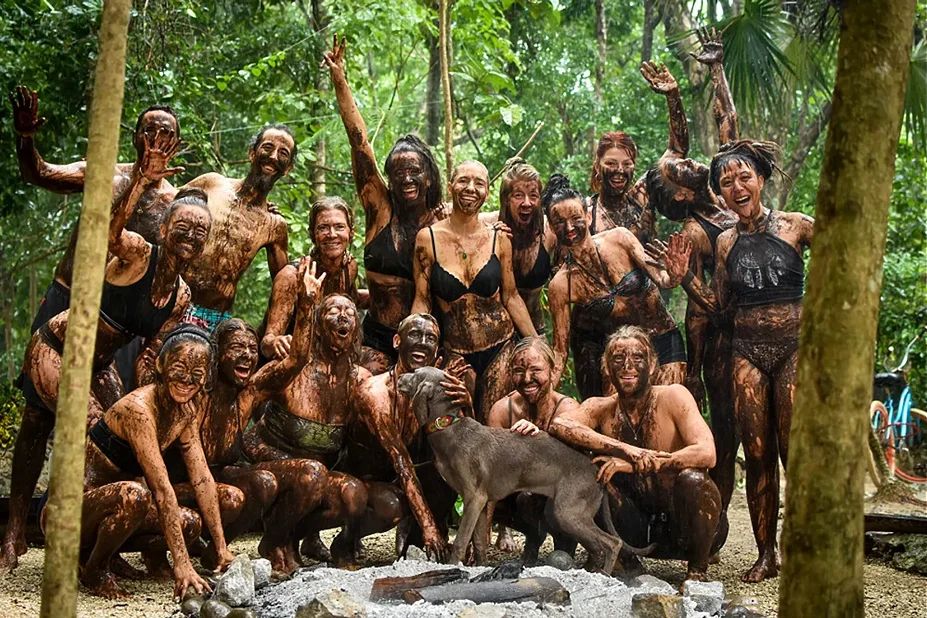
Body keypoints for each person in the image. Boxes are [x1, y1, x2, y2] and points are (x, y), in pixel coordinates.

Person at [1, 134, 200, 571]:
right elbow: (109, 232)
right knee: (82, 430)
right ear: (164, 229)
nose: (190, 236)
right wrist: (140, 179)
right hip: (58, 349)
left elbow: (152, 357)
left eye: (199, 232)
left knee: (122, 435)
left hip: (100, 363)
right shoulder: (138, 253)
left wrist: (151, 405)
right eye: (183, 227)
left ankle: (101, 537)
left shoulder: (181, 296)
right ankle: (30, 531)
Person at [661, 140, 814, 582]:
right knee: (759, 452)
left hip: (794, 348)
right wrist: (685, 279)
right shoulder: (726, 242)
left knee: (793, 451)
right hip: (747, 353)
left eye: (745, 177)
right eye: (727, 182)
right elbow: (718, 306)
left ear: (761, 180)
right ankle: (767, 554)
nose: (737, 187)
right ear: (720, 193)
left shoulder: (797, 226)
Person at [168, 260, 330, 574]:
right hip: (181, 486)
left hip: (221, 478)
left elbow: (296, 359)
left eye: (252, 349)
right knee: (232, 497)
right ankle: (211, 548)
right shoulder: (193, 390)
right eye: (237, 348)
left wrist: (306, 307)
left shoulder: (249, 392)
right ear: (217, 353)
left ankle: (260, 544)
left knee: (298, 475)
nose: (247, 355)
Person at [644, 29, 740, 514]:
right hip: (717, 333)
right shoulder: (696, 232)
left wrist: (707, 75)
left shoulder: (724, 189)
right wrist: (697, 368)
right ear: (681, 194)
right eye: (680, 169)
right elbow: (702, 307)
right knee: (722, 426)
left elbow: (729, 129)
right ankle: (712, 516)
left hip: (755, 323)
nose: (686, 162)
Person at [549, 326, 725, 582]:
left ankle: (697, 571)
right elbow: (560, 425)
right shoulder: (601, 407)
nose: (627, 366)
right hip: (638, 530)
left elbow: (707, 453)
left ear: (652, 365)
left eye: (637, 358)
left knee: (693, 480)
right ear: (606, 368)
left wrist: (640, 463)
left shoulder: (674, 396)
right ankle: (627, 562)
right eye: (618, 359)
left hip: (686, 528)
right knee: (591, 472)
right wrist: (623, 449)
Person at [75, 325, 233, 599]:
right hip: (70, 513)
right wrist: (182, 564)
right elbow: (160, 488)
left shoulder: (186, 410)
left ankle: (132, 558)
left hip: (117, 510)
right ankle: (94, 569)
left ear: (207, 375)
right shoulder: (138, 409)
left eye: (197, 373)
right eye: (179, 368)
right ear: (160, 364)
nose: (187, 379)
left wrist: (221, 547)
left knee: (190, 523)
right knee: (136, 495)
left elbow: (202, 477)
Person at [324, 35, 448, 374]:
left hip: (427, 341)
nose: (406, 178)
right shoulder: (380, 209)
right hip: (377, 336)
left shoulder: (443, 219)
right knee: (364, 384)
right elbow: (359, 141)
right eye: (398, 172)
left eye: (414, 171)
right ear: (389, 179)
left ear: (428, 176)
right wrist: (340, 81)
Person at [242, 293, 373, 566]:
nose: (343, 316)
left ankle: (293, 536)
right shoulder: (293, 367)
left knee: (354, 495)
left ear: (356, 330)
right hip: (266, 459)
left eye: (350, 312)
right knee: (311, 474)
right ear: (318, 327)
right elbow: (245, 399)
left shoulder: (360, 380)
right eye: (333, 310)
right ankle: (275, 542)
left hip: (316, 473)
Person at [412, 160, 538, 420]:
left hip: (500, 347)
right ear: (450, 187)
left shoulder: (498, 238)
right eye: (463, 181)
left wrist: (537, 346)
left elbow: (511, 297)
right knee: (459, 428)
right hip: (456, 352)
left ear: (487, 193)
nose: (471, 188)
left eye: (479, 183)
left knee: (495, 426)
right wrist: (411, 344)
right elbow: (422, 300)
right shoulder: (427, 239)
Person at [545, 175, 684, 401]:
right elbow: (560, 350)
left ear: (588, 216)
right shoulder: (561, 285)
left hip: (662, 337)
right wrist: (543, 390)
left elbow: (663, 278)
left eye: (575, 218)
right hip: (621, 357)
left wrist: (675, 274)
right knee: (623, 418)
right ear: (551, 228)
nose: (569, 227)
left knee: (669, 406)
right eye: (560, 222)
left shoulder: (620, 238)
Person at [347, 313, 471, 562]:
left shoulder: (433, 387)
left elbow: (465, 447)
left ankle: (416, 545)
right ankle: (346, 539)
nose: (422, 343)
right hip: (366, 479)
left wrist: (465, 403)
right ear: (396, 341)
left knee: (447, 473)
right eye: (415, 334)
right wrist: (429, 527)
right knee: (392, 505)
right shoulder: (375, 393)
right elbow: (400, 462)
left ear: (436, 353)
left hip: (404, 472)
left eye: (430, 338)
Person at [179, 124, 292, 329]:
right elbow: (165, 207)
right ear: (252, 153)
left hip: (214, 317)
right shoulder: (212, 184)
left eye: (283, 153)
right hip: (170, 300)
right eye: (267, 147)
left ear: (288, 169)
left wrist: (268, 333)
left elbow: (285, 285)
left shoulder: (274, 225)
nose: (274, 156)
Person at [486, 336, 581, 562]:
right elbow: (489, 475)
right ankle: (533, 536)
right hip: (520, 494)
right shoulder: (502, 411)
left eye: (536, 370)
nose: (527, 379)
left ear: (553, 371)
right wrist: (480, 536)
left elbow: (577, 471)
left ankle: (564, 542)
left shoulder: (568, 409)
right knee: (511, 497)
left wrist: (540, 441)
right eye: (519, 371)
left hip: (561, 495)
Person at [586, 62, 689, 241]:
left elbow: (677, 150)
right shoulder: (586, 211)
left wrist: (673, 96)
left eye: (627, 164)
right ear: (597, 166)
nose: (620, 170)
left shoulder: (641, 197)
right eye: (611, 163)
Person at [262, 197, 363, 361]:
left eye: (339, 227)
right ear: (312, 234)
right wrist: (277, 342)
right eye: (323, 228)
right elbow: (267, 343)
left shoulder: (349, 267)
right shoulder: (291, 277)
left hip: (324, 356)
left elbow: (355, 300)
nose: (332, 234)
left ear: (351, 233)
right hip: (289, 361)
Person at [479, 160, 556, 334]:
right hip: (495, 330)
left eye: (533, 196)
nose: (527, 203)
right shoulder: (487, 224)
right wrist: (440, 209)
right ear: (506, 199)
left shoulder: (549, 229)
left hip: (535, 326)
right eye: (518, 195)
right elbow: (452, 220)